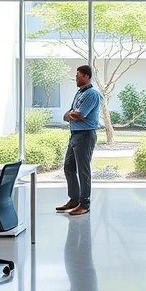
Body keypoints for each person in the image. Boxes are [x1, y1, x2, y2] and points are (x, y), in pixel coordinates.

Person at [56, 65, 102, 217]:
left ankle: (85, 204)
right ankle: (74, 200)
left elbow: (80, 114)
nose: (75, 78)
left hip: (85, 135)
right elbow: (68, 114)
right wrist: (71, 114)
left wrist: (73, 114)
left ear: (87, 76)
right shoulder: (79, 93)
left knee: (83, 171)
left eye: (78, 75)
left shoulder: (92, 94)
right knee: (68, 167)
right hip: (74, 134)